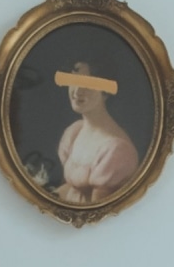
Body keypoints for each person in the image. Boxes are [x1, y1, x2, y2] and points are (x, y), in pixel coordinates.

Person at [55, 59, 141, 204]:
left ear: (106, 92)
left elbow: (96, 210)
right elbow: (70, 189)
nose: (77, 91)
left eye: (88, 84)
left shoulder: (116, 150)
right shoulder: (75, 131)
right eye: (74, 80)